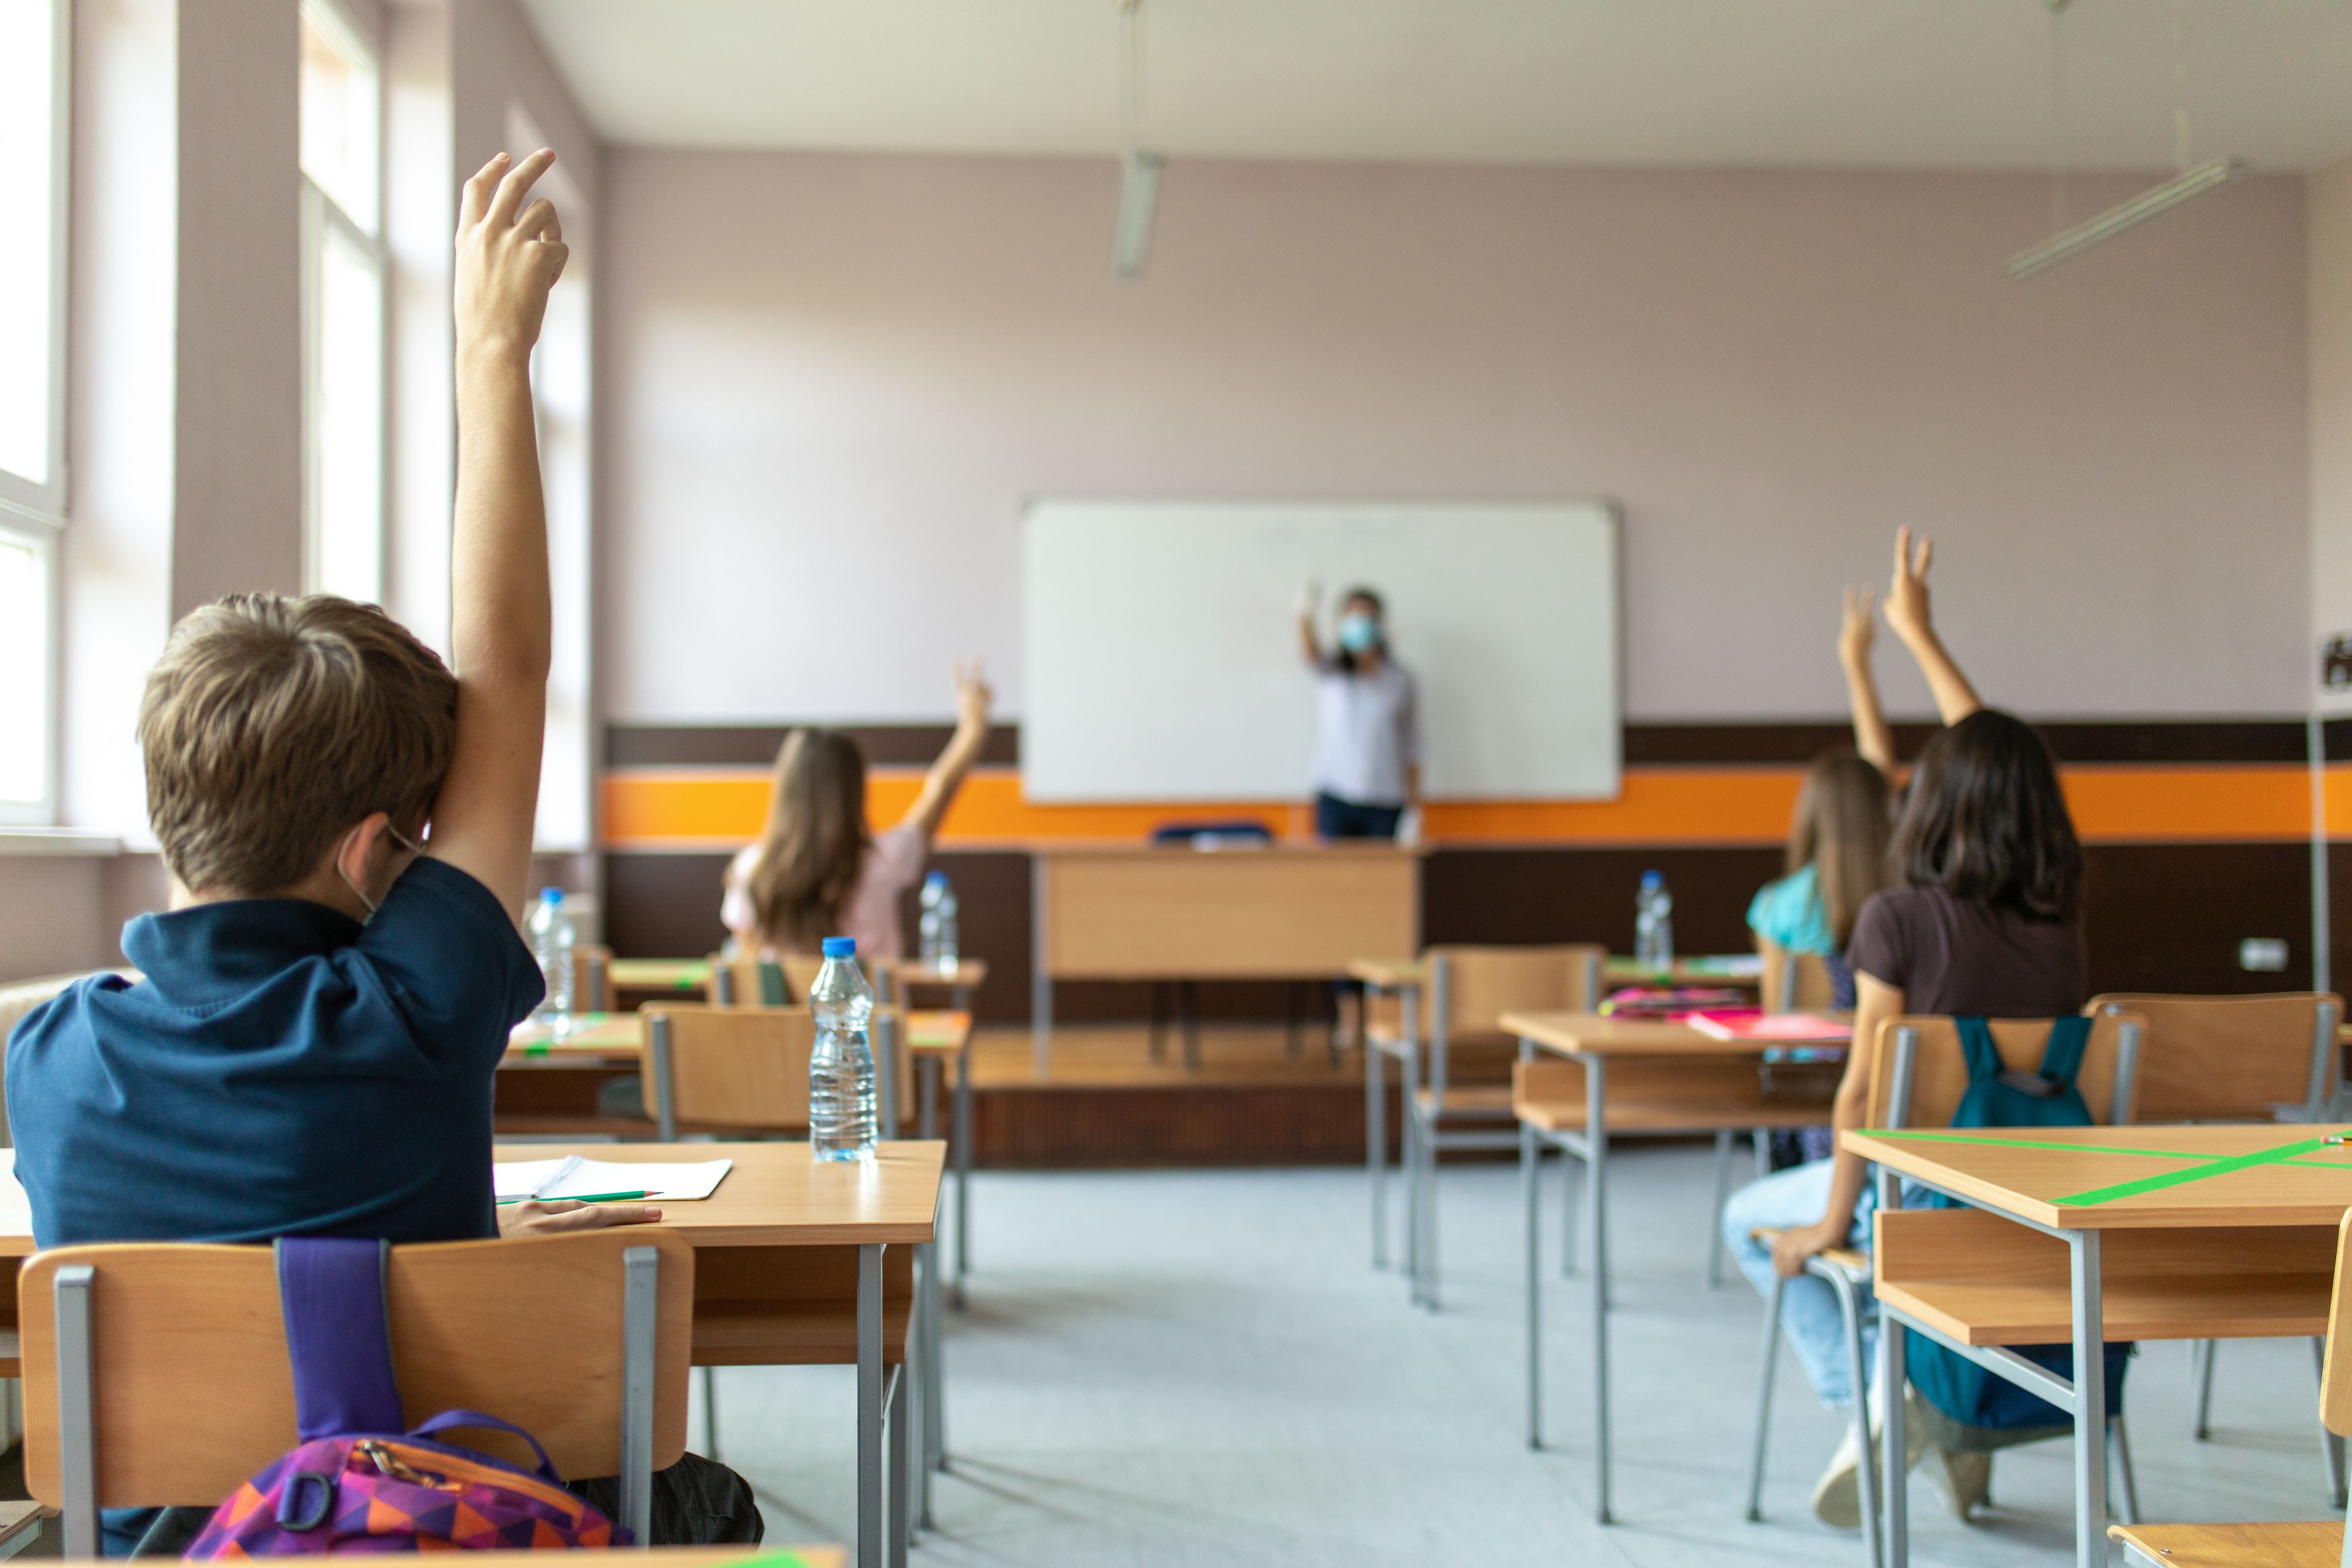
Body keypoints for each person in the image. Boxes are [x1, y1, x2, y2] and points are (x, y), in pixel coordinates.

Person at [6, 152, 758, 1553]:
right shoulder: (410, 1009)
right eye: (414, 840)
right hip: (410, 1532)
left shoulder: (47, 1061)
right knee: (706, 1502)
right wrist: (491, 352)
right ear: (370, 855)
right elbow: (508, 668)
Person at [1723, 530, 2062, 1532]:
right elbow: (2007, 767)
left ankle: (1873, 1409)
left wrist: (1831, 1224)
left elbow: (1863, 1093)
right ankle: (1906, 1410)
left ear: (1931, 805)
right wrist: (1920, 637)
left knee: (1749, 1219)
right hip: (2035, 1192)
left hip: (1911, 1197)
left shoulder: (1897, 917)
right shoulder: (2061, 920)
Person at [723, 662, 991, 959]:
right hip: (875, 1007)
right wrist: (973, 729)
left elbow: (745, 966)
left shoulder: (751, 870)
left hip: (783, 1009)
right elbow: (938, 793)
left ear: (785, 792)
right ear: (855, 792)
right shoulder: (883, 863)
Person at [1296, 582, 1421, 841]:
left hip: (1385, 797)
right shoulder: (1332, 674)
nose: (1359, 622)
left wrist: (1414, 809)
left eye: (1366, 615)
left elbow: (1412, 744)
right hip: (1336, 793)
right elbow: (1310, 654)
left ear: (1379, 623)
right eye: (1352, 616)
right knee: (1336, 877)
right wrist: (1304, 615)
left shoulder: (1399, 680)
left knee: (1381, 877)